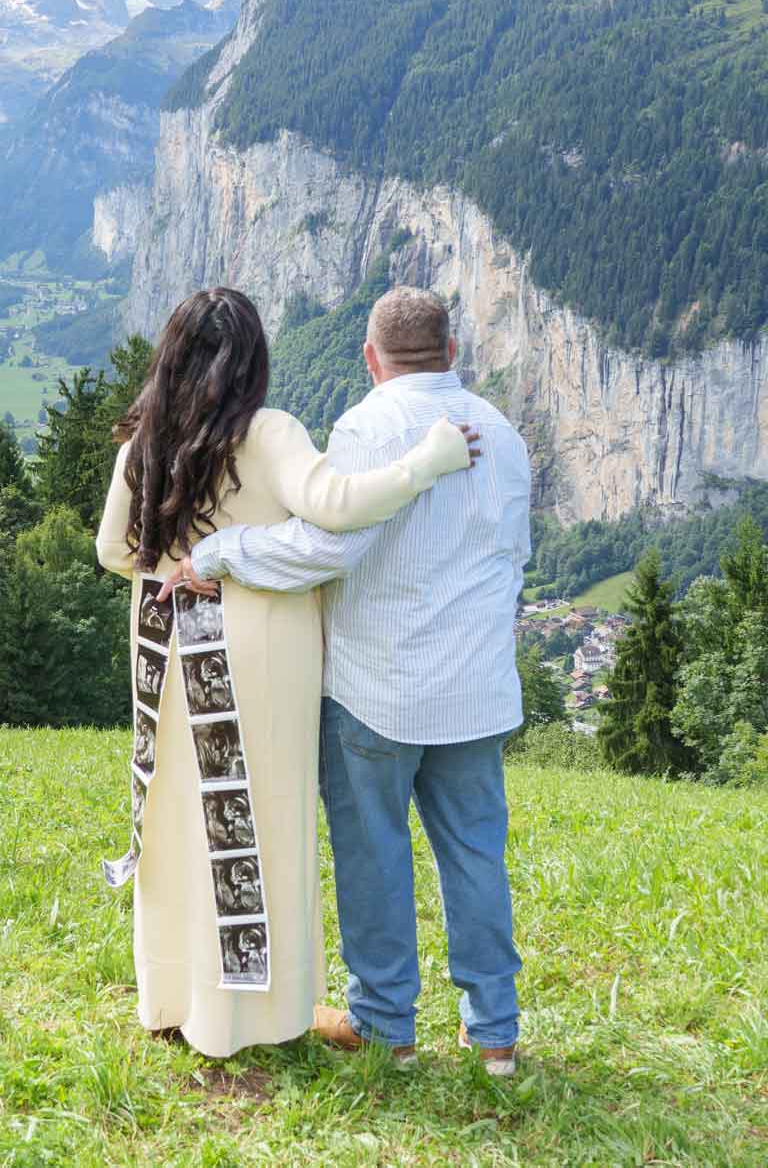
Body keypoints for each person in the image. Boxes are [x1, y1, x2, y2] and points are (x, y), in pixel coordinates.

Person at [95, 287, 476, 1058]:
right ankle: (248, 1016)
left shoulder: (144, 443)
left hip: (165, 651)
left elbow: (112, 548)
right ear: (252, 361)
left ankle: (175, 997)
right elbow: (334, 504)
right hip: (255, 649)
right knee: (255, 827)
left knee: (176, 821)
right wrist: (426, 463)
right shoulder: (265, 434)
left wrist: (176, 565)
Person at [164, 286, 532, 1075]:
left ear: (370, 356)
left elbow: (327, 548)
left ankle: (386, 1025)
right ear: (452, 353)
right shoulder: (503, 433)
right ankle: (495, 1032)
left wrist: (223, 552)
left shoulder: (368, 426)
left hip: (381, 688)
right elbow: (514, 558)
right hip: (476, 690)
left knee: (374, 854)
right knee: (475, 851)